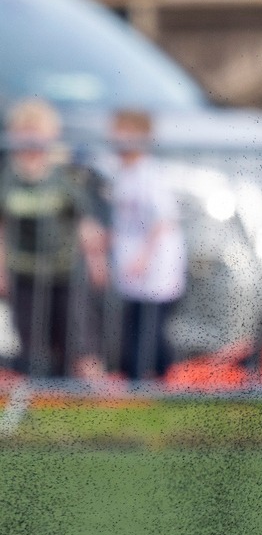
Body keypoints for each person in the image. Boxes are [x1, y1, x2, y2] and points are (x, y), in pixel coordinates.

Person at [0, 98, 107, 377]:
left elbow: (86, 223)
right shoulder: (8, 177)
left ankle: (100, 403)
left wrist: (97, 262)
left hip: (65, 273)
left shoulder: (63, 175)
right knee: (32, 347)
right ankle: (42, 403)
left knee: (80, 343)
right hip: (24, 274)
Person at [108, 110, 187, 380]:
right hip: (131, 268)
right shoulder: (123, 174)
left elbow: (163, 219)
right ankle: (140, 377)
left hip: (154, 268)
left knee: (150, 328)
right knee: (134, 324)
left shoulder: (151, 174)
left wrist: (144, 256)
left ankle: (153, 377)